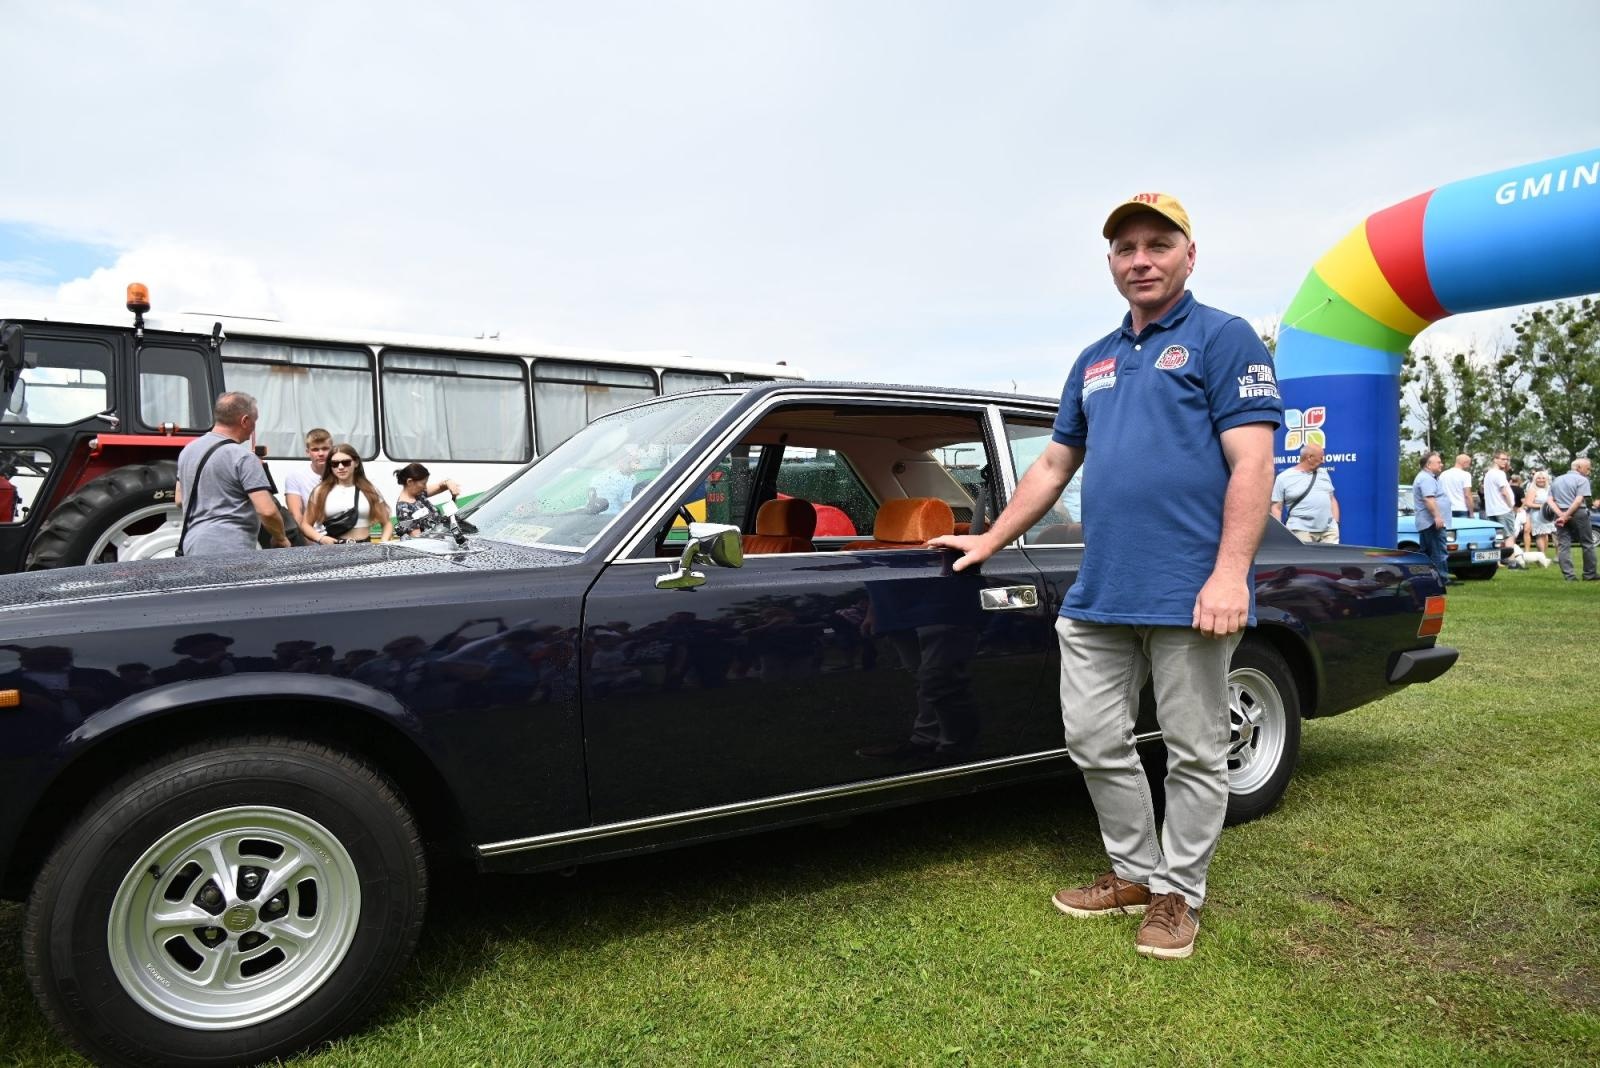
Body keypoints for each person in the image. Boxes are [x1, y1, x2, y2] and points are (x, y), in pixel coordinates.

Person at [929, 193, 1281, 960]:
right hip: (1101, 592)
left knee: (1193, 750)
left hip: (1191, 591)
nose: (1141, 259)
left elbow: (1253, 461)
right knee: (1092, 738)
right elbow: (1054, 464)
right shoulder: (1094, 359)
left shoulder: (1226, 340)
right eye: (1126, 248)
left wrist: (1229, 576)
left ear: (1191, 254)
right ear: (1111, 262)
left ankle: (1177, 896)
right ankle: (1133, 872)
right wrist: (989, 536)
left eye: (1158, 244)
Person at [173, 392, 292, 556]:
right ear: (244, 421)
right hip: (230, 549)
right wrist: (280, 537)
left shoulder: (188, 450)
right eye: (254, 421)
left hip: (192, 545)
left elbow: (179, 499)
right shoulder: (242, 457)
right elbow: (267, 511)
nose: (253, 429)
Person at [300, 443, 392, 545]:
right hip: (334, 549)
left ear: (356, 463)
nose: (340, 467)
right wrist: (321, 538)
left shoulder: (369, 489)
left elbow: (387, 523)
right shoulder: (320, 491)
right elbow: (305, 525)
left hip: (365, 548)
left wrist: (383, 543)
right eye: (334, 464)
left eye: (346, 462)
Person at [1270, 442, 1339, 543]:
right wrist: (1279, 534)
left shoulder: (1324, 473)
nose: (1323, 461)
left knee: (1333, 559)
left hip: (1329, 532)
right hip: (1301, 532)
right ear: (1310, 457)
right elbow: (1276, 507)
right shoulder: (1283, 478)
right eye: (1321, 458)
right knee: (1305, 559)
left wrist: (1336, 524)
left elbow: (1332, 499)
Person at [1549, 457, 1596, 582]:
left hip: (1559, 512)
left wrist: (1560, 515)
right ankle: (1589, 574)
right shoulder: (1582, 480)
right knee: (1587, 543)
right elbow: (1579, 499)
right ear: (1579, 467)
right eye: (1588, 468)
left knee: (1564, 545)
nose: (1589, 471)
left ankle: (1569, 576)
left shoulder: (1557, 480)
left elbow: (1549, 500)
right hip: (1577, 512)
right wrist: (1566, 515)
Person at [284, 428, 333, 541]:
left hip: (340, 533)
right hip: (311, 537)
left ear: (332, 450)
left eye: (325, 449)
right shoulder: (295, 476)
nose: (320, 454)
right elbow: (295, 514)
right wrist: (307, 541)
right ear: (308, 452)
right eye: (315, 450)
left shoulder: (341, 473)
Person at [393, 463, 465, 537]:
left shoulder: (419, 494)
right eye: (423, 483)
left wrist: (449, 482)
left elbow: (440, 487)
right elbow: (420, 539)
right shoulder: (403, 510)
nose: (425, 487)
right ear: (410, 482)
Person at [1412, 452, 1450, 586]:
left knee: (1427, 552)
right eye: (1438, 462)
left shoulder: (1427, 478)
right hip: (1431, 522)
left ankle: (1426, 579)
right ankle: (1441, 579)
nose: (1441, 464)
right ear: (1429, 465)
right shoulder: (1426, 479)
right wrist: (1437, 517)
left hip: (1428, 522)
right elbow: (1429, 499)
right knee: (1438, 551)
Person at [1482, 450, 1518, 547]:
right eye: (1502, 459)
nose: (1505, 461)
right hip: (1503, 509)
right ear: (1495, 459)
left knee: (1497, 537)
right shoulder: (1499, 473)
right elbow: (1504, 492)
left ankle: (1497, 560)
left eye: (1506, 459)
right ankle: (1511, 560)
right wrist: (1511, 507)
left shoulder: (1488, 474)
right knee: (1509, 536)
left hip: (1491, 510)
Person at [1525, 470, 1557, 561]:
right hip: (1537, 515)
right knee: (1540, 535)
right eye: (1538, 478)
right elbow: (1528, 503)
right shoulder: (1532, 490)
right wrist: (1542, 506)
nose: (1541, 480)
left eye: (1543, 478)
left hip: (1549, 515)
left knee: (1546, 534)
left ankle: (1543, 555)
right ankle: (1541, 556)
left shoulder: (1550, 489)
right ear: (1535, 479)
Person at [1439, 453, 1475, 518]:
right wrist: (1471, 513)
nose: (1469, 466)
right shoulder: (1466, 475)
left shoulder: (1443, 474)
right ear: (1465, 463)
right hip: (1461, 509)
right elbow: (1467, 495)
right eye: (1469, 463)